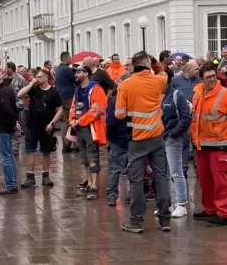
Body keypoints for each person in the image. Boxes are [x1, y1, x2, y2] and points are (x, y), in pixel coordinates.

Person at [115, 51, 171, 233]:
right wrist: (153, 62)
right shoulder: (158, 81)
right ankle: (164, 219)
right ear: (147, 64)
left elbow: (119, 114)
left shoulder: (126, 84)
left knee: (136, 180)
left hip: (137, 139)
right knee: (161, 177)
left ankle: (137, 221)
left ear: (134, 65)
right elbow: (162, 72)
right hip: (157, 137)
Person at [191, 62, 227, 226]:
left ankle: (224, 213)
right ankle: (210, 210)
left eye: (214, 75)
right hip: (201, 145)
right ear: (202, 79)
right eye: (208, 77)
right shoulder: (197, 94)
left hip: (220, 145)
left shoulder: (224, 94)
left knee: (221, 182)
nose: (212, 79)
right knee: (205, 181)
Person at [18, 69, 63, 188]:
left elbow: (59, 110)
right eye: (36, 76)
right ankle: (30, 176)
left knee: (46, 152)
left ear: (46, 78)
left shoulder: (53, 92)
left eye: (39, 77)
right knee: (29, 151)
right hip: (32, 125)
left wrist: (52, 123)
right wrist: (31, 84)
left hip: (46, 126)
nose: (37, 78)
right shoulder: (34, 89)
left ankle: (46, 175)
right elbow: (20, 95)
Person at [69, 66, 107, 201]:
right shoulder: (78, 90)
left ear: (86, 74)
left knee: (92, 157)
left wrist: (80, 121)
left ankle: (94, 186)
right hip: (79, 128)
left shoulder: (96, 89)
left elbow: (97, 110)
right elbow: (73, 107)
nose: (76, 74)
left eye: (78, 72)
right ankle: (89, 182)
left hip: (91, 128)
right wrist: (73, 119)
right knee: (84, 158)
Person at [161, 70, 192, 218]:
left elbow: (186, 117)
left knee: (176, 171)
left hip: (173, 138)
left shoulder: (176, 95)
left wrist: (174, 133)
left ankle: (181, 204)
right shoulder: (159, 96)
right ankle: (167, 204)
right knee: (164, 173)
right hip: (162, 138)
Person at [0, 70, 19, 194]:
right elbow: (13, 108)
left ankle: (11, 184)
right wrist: (15, 121)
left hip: (3, 127)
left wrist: (13, 121)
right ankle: (12, 182)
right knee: (9, 155)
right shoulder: (8, 89)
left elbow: (8, 109)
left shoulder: (2, 92)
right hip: (7, 126)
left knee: (5, 157)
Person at [106, 74, 130, 206]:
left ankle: (112, 196)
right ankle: (133, 194)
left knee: (115, 169)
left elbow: (111, 122)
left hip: (119, 140)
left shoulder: (115, 101)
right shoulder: (137, 99)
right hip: (134, 139)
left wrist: (110, 138)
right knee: (135, 170)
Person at [55, 52, 76, 153]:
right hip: (68, 97)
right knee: (68, 121)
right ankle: (67, 144)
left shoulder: (58, 69)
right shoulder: (67, 69)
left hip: (61, 97)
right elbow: (75, 80)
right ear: (67, 58)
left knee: (65, 121)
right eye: (70, 58)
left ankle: (67, 144)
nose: (71, 59)